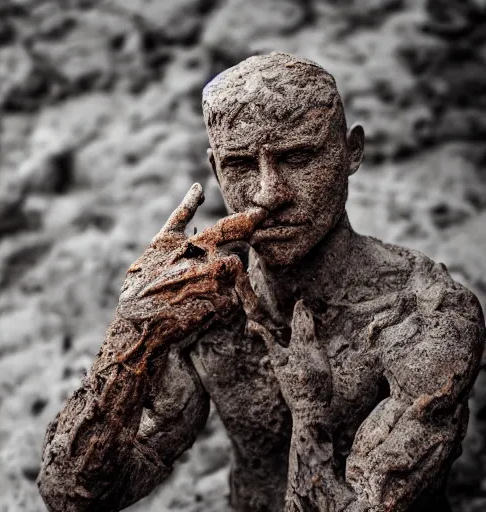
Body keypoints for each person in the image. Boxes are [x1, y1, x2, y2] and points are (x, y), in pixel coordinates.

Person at [37, 52, 485, 512]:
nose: (269, 193)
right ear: (215, 170)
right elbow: (73, 496)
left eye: (297, 157)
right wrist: (133, 333)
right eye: (241, 165)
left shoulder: (423, 315)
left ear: (352, 152)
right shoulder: (205, 302)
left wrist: (310, 420)